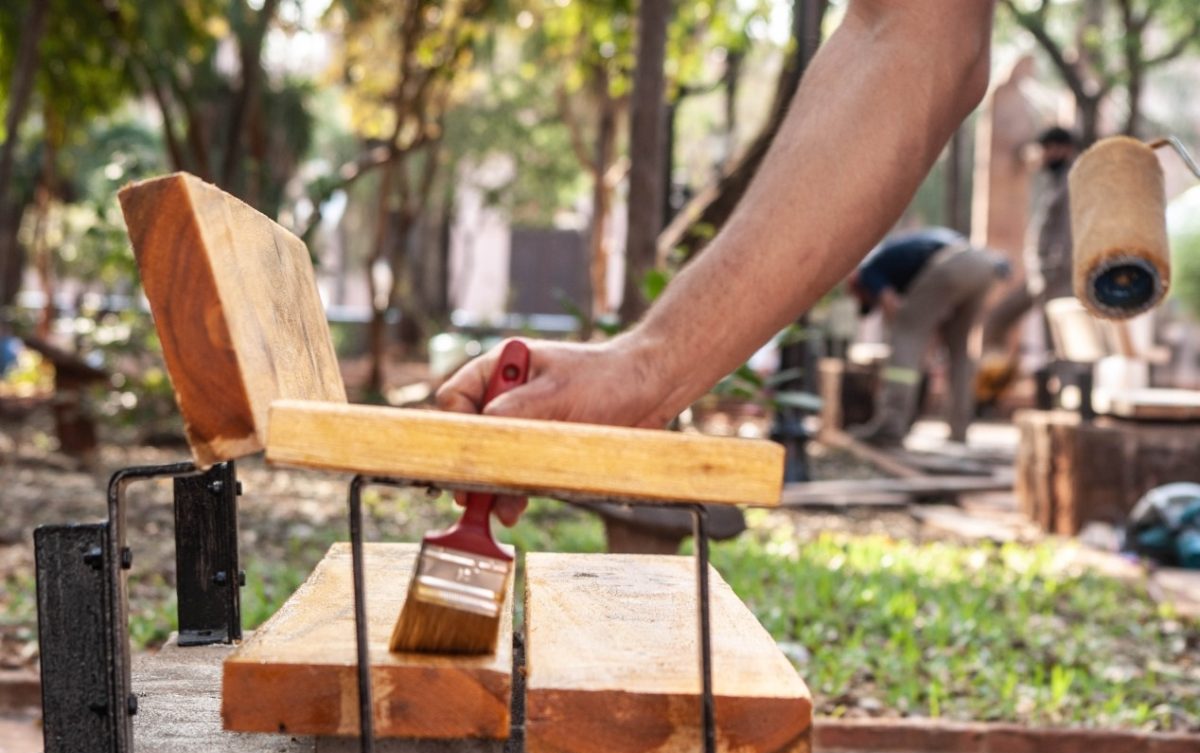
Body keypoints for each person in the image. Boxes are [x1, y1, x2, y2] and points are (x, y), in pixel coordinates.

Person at [439, 0, 998, 523]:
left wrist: (645, 366)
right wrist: (644, 369)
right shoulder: (886, 267)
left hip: (958, 266)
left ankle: (900, 423)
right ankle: (948, 424)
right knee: (947, 347)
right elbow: (910, 35)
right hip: (980, 266)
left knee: (911, 336)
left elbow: (914, 36)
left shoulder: (873, 275)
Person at [846, 228, 1008, 446]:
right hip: (983, 266)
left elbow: (893, 308)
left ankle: (891, 425)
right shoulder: (904, 264)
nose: (873, 305)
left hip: (953, 263)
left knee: (905, 333)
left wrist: (909, 336)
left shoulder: (867, 271)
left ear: (858, 289)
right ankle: (959, 429)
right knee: (958, 348)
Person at [977, 125, 1080, 399]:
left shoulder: (1074, 182)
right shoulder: (1054, 182)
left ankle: (1066, 396)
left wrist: (1053, 269)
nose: (1044, 156)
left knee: (1059, 340)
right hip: (1039, 276)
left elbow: (1069, 233)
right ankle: (992, 385)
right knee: (996, 320)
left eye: (1048, 149)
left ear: (1065, 150)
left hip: (1059, 277)